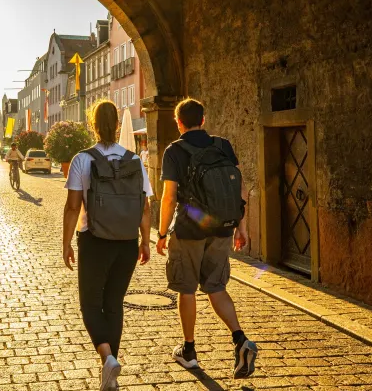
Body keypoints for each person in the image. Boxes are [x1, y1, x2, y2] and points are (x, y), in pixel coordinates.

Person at [156, 97, 258, 378]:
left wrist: (162, 232)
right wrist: (241, 227)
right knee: (216, 286)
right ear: (203, 120)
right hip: (223, 227)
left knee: (186, 289)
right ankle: (241, 340)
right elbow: (240, 189)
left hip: (190, 228)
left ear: (178, 123)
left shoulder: (174, 151)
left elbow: (169, 197)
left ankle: (189, 351)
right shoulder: (222, 145)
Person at [62, 100, 153, 391]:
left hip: (94, 240)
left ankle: (107, 358)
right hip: (127, 242)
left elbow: (72, 207)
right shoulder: (135, 160)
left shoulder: (82, 159)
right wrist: (146, 241)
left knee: (90, 303)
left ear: (92, 124)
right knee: (114, 304)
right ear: (116, 125)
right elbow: (146, 206)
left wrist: (66, 243)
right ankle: (109, 370)